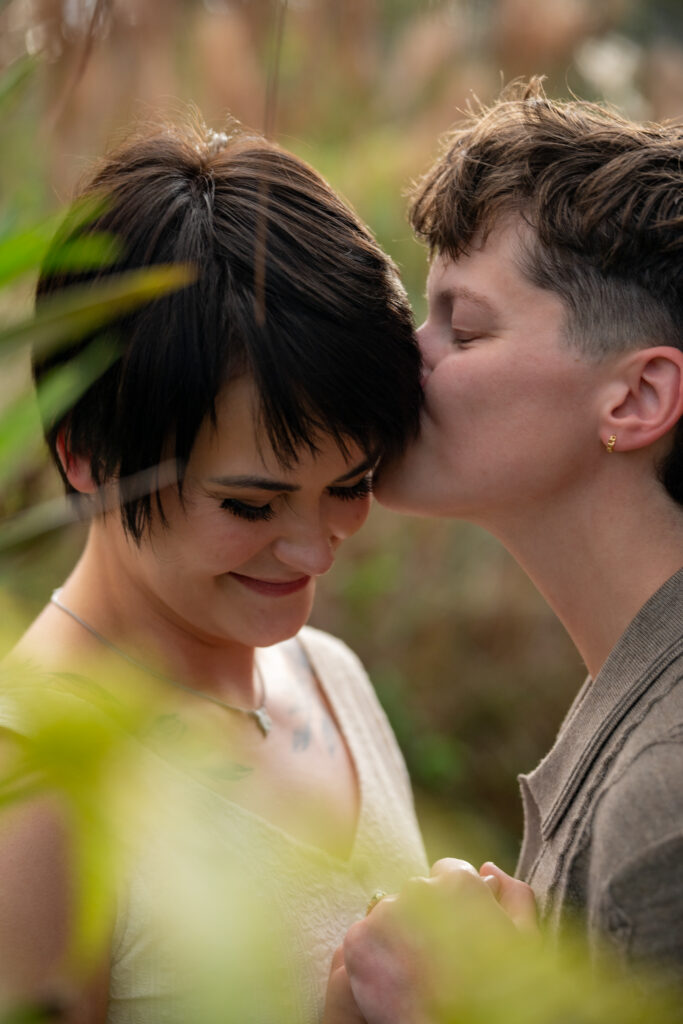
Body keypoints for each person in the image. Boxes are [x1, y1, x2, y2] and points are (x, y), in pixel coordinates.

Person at [0, 120, 430, 1023]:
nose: (315, 551)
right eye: (250, 505)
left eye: (349, 485)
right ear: (88, 455)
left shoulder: (332, 675)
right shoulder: (38, 783)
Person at [328, 78, 683, 1022]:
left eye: (465, 326)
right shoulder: (635, 705)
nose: (411, 356)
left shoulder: (665, 805)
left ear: (635, 399)